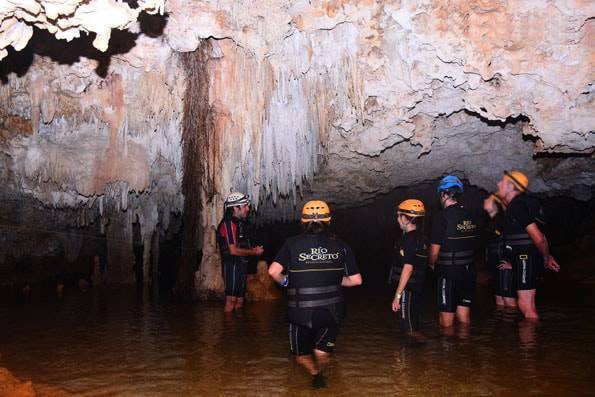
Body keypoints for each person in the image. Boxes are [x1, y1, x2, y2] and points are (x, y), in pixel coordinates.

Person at [268, 200, 362, 389]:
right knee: (321, 350)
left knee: (301, 354)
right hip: (332, 311)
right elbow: (356, 280)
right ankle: (324, 371)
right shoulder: (341, 245)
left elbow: (272, 272)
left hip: (301, 312)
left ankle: (314, 373)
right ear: (328, 221)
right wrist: (335, 280)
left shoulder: (292, 243)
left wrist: (286, 281)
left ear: (303, 221)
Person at [485, 170, 560, 319]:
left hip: (526, 257)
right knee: (527, 305)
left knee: (526, 306)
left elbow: (537, 237)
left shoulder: (517, 206)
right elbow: (541, 235)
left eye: (503, 181)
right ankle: (529, 341)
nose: (499, 183)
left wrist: (545, 258)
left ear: (512, 187)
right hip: (526, 257)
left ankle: (529, 342)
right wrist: (547, 255)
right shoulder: (528, 203)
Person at [428, 175, 479, 329]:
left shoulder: (441, 217)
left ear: (443, 194)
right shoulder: (471, 215)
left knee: (446, 319)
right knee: (464, 317)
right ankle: (464, 349)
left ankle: (448, 351)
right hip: (469, 271)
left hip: (449, 272)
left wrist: (431, 264)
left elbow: (434, 251)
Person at [217, 192, 264, 313]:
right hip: (232, 265)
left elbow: (241, 245)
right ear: (235, 208)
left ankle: (237, 330)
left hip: (242, 264)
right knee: (231, 300)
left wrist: (252, 250)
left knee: (240, 301)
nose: (248, 209)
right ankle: (227, 329)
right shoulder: (228, 224)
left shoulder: (240, 224)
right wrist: (254, 253)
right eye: (245, 206)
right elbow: (233, 250)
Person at [391, 199, 428, 336]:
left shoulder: (409, 239)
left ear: (405, 218)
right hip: (417, 287)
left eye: (399, 216)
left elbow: (408, 267)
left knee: (408, 329)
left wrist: (398, 295)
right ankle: (418, 355)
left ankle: (413, 354)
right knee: (413, 322)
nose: (397, 219)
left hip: (408, 290)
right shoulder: (421, 237)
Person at [483, 193, 516, 308]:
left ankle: (514, 323)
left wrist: (512, 262)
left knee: (508, 300)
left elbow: (514, 240)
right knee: (499, 300)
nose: (485, 202)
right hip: (496, 266)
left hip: (505, 264)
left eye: (489, 201)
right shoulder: (491, 222)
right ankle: (503, 325)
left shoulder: (506, 219)